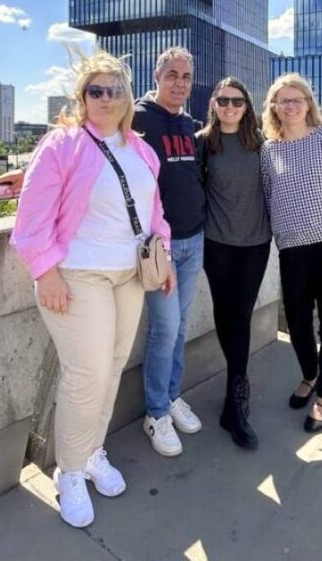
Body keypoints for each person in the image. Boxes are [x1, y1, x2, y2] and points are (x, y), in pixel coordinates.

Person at [9, 51, 173, 528]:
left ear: (128, 98)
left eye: (114, 90)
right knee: (87, 375)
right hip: (78, 276)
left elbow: (153, 211)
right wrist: (46, 272)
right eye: (95, 91)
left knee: (113, 369)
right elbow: (32, 217)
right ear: (82, 98)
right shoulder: (62, 144)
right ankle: (70, 471)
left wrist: (161, 261)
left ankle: (91, 450)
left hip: (129, 275)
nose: (105, 98)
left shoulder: (141, 149)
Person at [260, 72, 322, 433]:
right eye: (283, 100)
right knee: (298, 323)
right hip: (292, 252)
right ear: (274, 106)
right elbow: (269, 196)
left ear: (308, 104)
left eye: (297, 99)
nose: (290, 106)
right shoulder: (268, 150)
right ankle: (309, 374)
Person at [132, 46, 205, 456]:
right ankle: (155, 412)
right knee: (165, 330)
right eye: (172, 74)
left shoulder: (188, 122)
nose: (180, 83)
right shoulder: (139, 117)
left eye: (186, 77)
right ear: (157, 76)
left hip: (194, 239)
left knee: (179, 327)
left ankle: (172, 396)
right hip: (159, 246)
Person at [196, 76, 271, 450]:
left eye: (236, 102)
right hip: (216, 244)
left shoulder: (261, 143)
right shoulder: (202, 144)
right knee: (226, 316)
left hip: (255, 244)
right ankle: (235, 395)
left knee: (239, 317)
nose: (229, 107)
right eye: (223, 101)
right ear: (213, 103)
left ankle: (235, 402)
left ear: (247, 106)